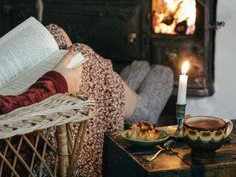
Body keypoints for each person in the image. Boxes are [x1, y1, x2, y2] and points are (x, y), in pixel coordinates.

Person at [0, 24, 174, 177]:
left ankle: (119, 91)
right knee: (82, 56)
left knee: (55, 34)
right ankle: (141, 110)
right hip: (14, 144)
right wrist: (59, 80)